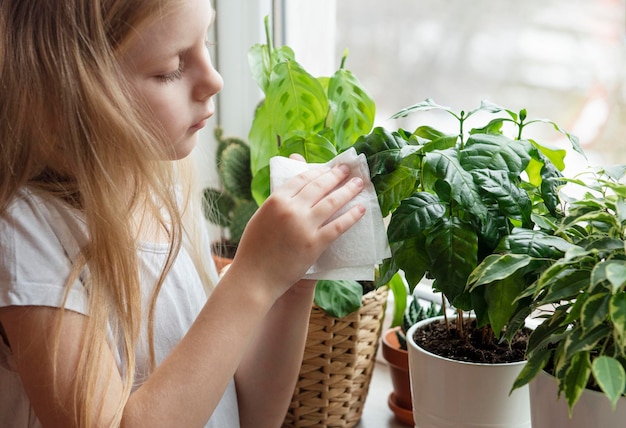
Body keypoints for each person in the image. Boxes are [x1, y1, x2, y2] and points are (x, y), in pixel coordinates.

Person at [0, 1, 367, 427]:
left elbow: (246, 415)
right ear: (65, 92)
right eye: (171, 68)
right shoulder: (24, 236)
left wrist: (289, 287)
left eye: (206, 41)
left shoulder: (162, 185)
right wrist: (253, 277)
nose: (214, 79)